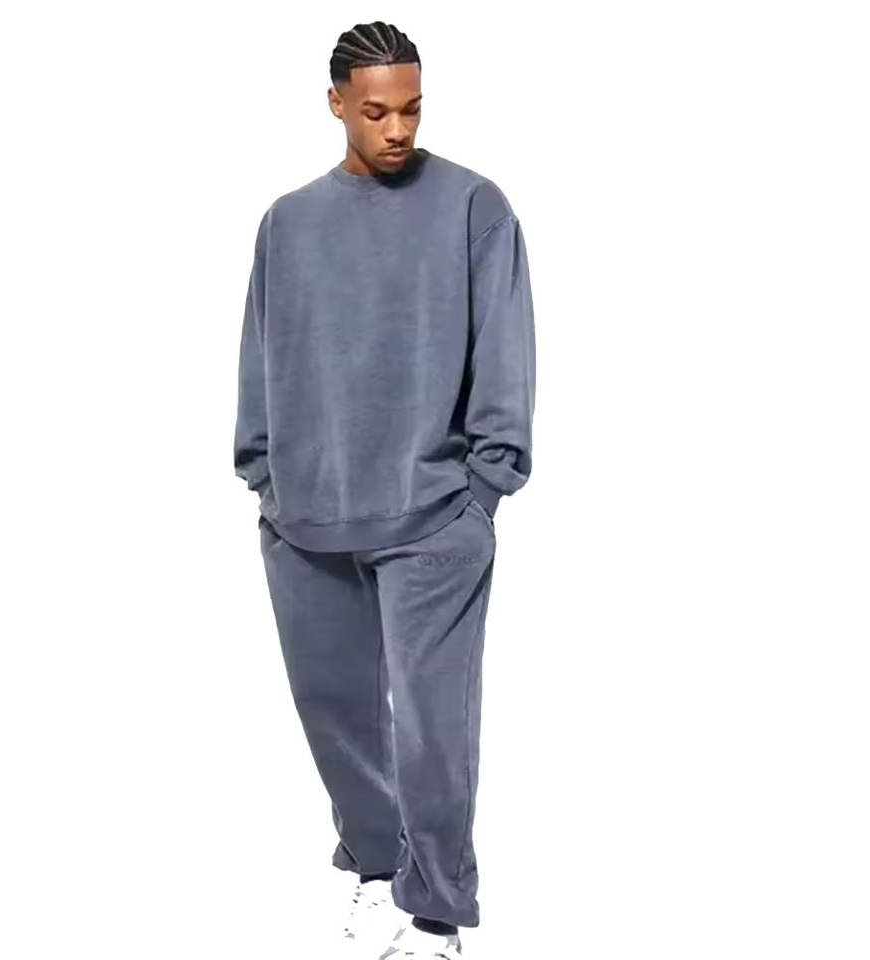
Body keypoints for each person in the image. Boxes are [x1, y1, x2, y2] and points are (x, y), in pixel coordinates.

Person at [233, 20, 536, 959]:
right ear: (335, 104)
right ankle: (376, 870)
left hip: (435, 518)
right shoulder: (288, 222)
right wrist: (263, 473)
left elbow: (506, 352)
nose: (397, 128)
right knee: (335, 715)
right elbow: (259, 351)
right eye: (375, 112)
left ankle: (437, 915)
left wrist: (486, 487)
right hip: (305, 516)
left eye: (411, 108)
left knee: (434, 730)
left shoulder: (474, 207)